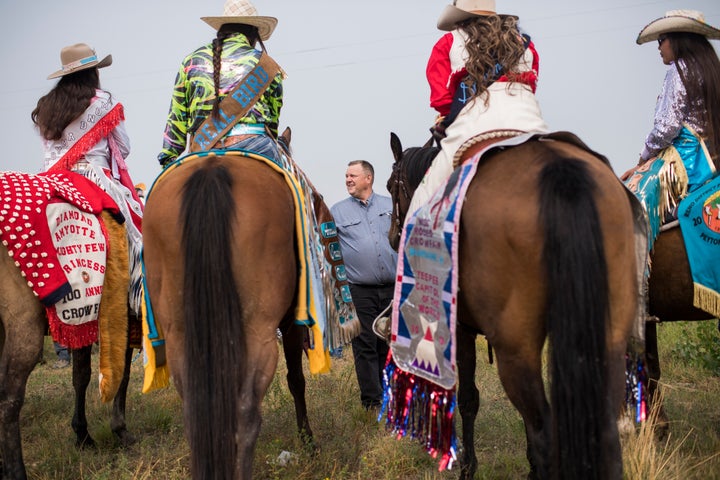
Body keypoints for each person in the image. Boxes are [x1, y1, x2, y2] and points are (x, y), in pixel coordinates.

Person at [31, 43, 144, 313]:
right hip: (96, 178)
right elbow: (124, 148)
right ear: (94, 72)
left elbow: (48, 151)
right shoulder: (104, 103)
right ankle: (137, 301)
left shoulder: (46, 106)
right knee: (137, 231)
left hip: (53, 180)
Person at [408, 0, 549, 215]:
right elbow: (531, 86)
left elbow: (442, 100)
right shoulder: (526, 44)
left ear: (459, 16)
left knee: (421, 206)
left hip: (473, 128)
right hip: (529, 124)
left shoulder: (448, 42)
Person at [622, 9, 720, 228]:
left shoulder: (680, 70)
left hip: (685, 161)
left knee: (632, 206)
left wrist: (642, 161)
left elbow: (666, 128)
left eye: (661, 39)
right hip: (712, 157)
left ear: (677, 39)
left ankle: (639, 262)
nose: (658, 47)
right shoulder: (711, 70)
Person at [157, 0, 284, 167]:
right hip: (256, 146)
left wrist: (168, 158)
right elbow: (272, 124)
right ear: (254, 33)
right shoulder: (267, 65)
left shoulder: (191, 62)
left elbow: (176, 119)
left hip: (203, 148)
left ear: (221, 29)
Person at [331, 161, 398, 410]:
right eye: (346, 175)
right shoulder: (336, 212)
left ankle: (391, 399)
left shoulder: (391, 205)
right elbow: (328, 250)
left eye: (353, 175)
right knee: (365, 345)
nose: (348, 179)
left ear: (368, 178)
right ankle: (372, 403)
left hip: (393, 289)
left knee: (390, 345)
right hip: (358, 290)